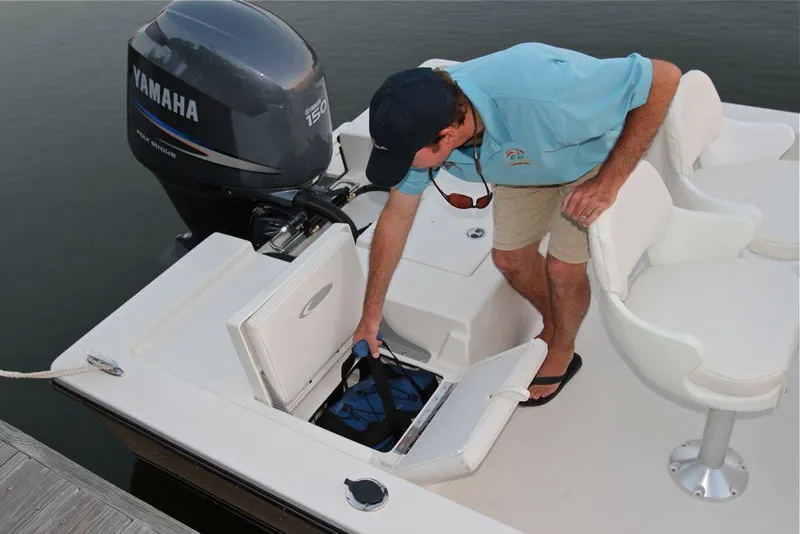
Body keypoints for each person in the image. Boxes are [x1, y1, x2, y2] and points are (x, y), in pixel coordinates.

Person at [352, 42, 681, 406]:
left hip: (588, 162)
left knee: (563, 269)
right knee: (510, 259)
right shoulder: (422, 125)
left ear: (447, 135)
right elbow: (396, 218)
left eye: (409, 160)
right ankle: (553, 322)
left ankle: (563, 345)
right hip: (522, 165)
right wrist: (371, 316)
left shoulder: (548, 90)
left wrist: (608, 182)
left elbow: (664, 78)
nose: (406, 168)